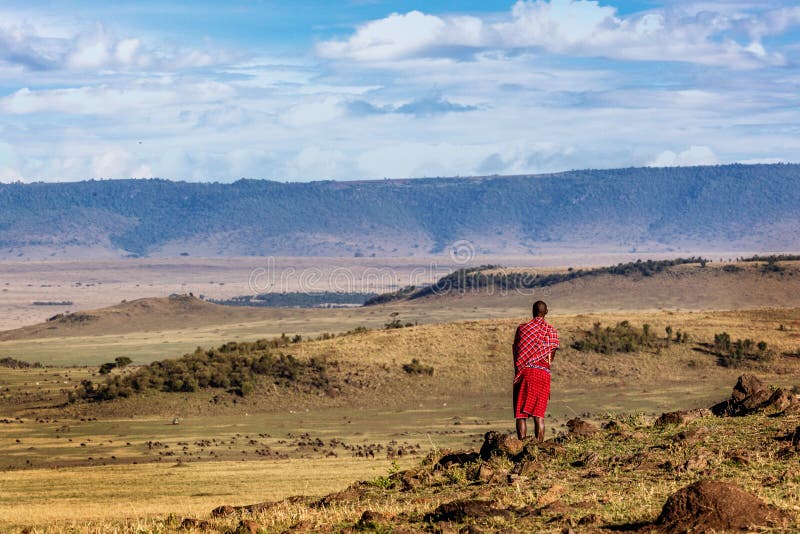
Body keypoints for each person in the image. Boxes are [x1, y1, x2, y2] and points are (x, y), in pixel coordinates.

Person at [512, 300, 559, 441]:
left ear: (533, 311)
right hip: (543, 374)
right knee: (539, 415)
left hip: (526, 373)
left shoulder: (523, 329)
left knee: (521, 414)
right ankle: (539, 447)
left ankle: (522, 447)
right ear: (546, 312)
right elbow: (550, 358)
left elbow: (517, 351)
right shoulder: (552, 332)